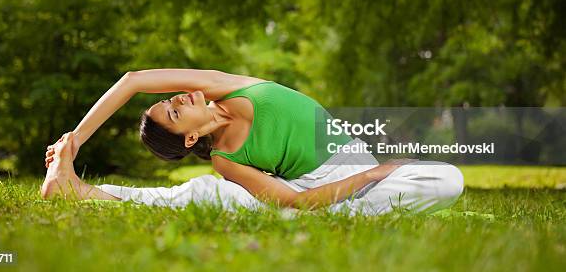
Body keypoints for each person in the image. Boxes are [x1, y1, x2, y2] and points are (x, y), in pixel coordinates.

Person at [42, 69, 464, 214]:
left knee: (448, 179)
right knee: (205, 193)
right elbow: (295, 200)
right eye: (172, 112)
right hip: (312, 191)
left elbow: (133, 82)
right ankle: (78, 190)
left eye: (167, 101)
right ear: (189, 136)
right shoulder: (226, 160)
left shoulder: (225, 86)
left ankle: (342, 215)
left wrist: (74, 141)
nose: (174, 99)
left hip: (357, 172)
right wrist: (375, 172)